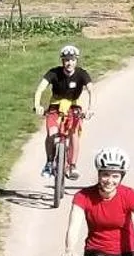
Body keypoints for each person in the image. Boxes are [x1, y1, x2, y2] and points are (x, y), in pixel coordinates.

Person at [32, 44, 93, 179]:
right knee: (51, 134)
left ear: (76, 61)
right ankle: (49, 162)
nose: (69, 63)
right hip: (55, 107)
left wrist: (90, 108)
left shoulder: (82, 74)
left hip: (73, 108)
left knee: (73, 134)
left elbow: (90, 90)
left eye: (72, 60)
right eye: (66, 60)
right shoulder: (54, 73)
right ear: (62, 61)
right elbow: (40, 89)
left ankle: (72, 165)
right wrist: (38, 105)